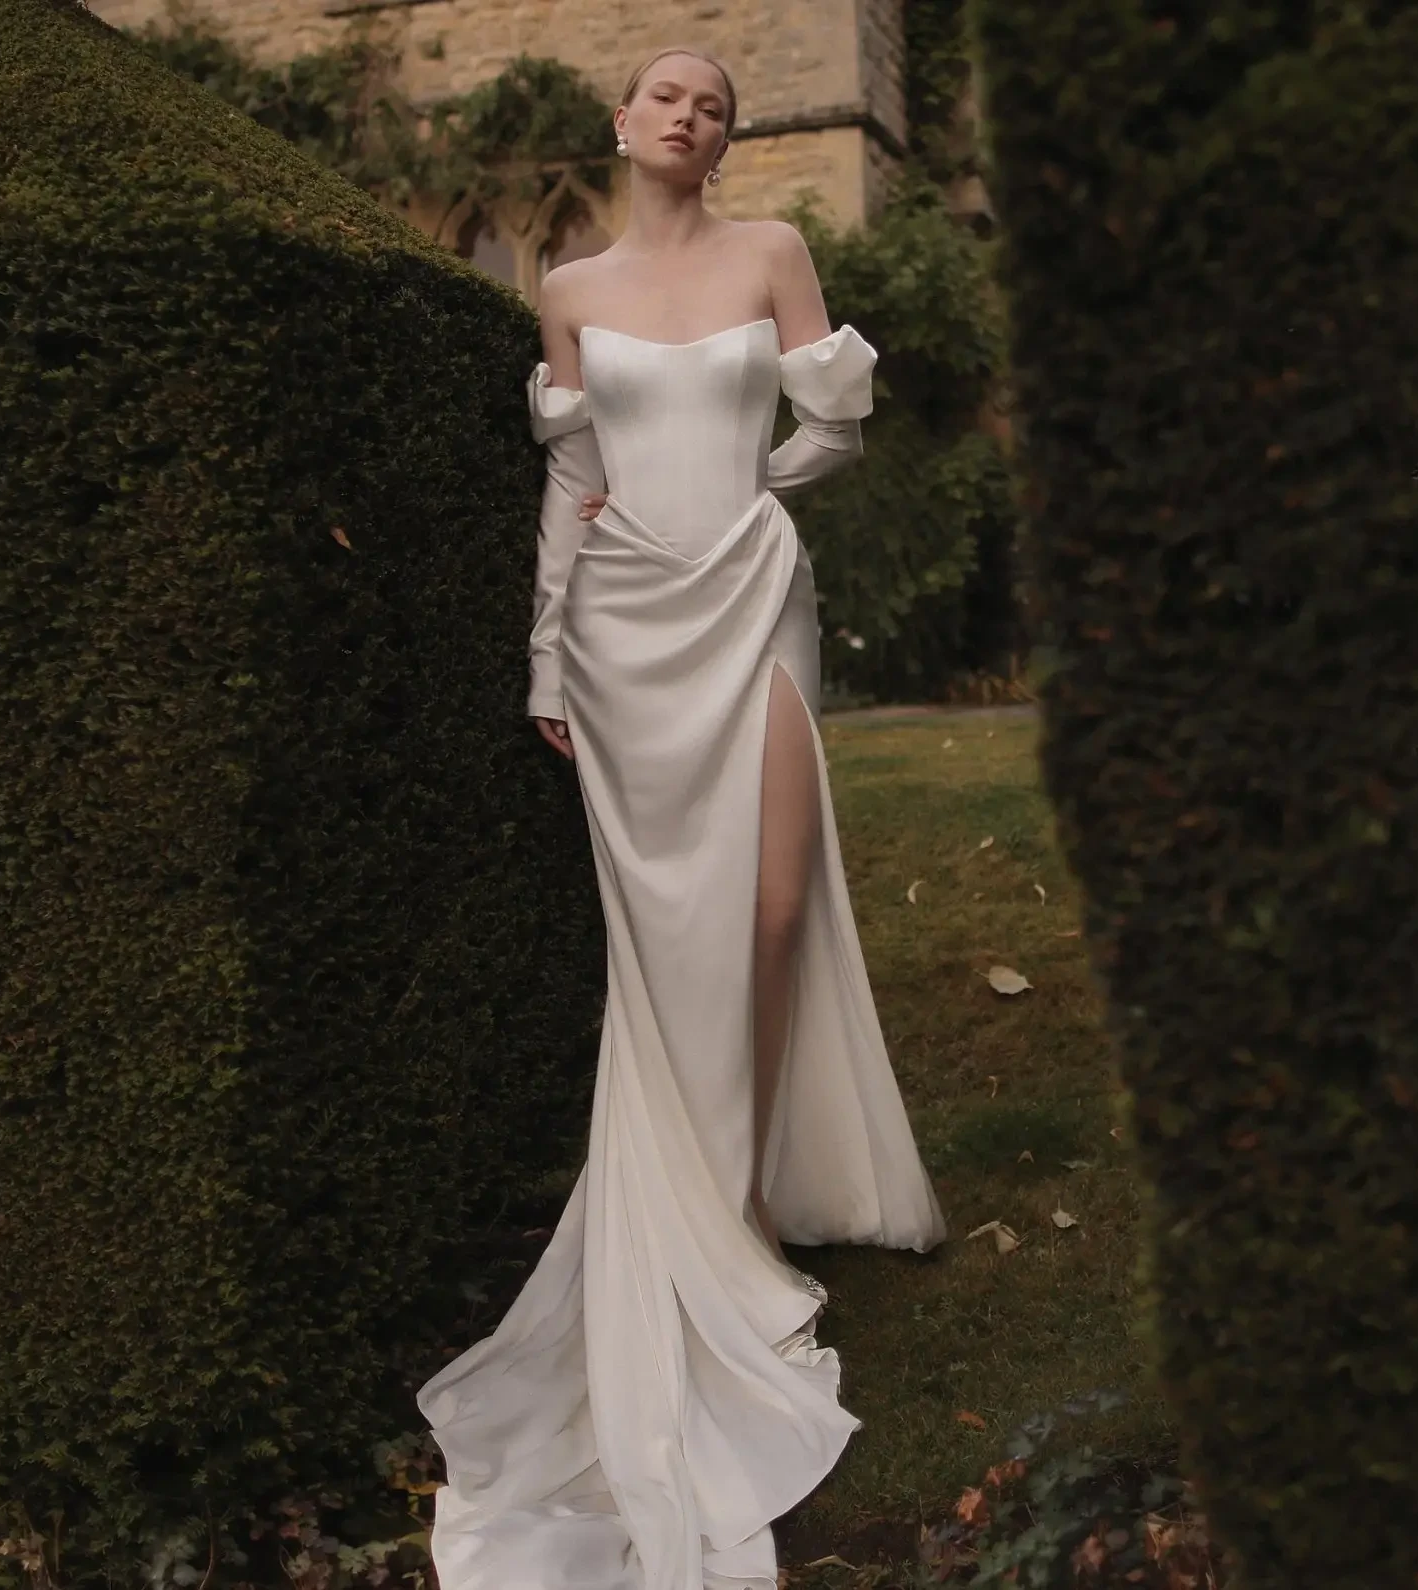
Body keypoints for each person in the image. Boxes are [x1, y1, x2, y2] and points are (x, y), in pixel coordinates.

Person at [415, 44, 948, 1590]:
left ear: (725, 136)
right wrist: (542, 648)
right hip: (620, 632)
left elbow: (834, 427)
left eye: (714, 102)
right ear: (622, 123)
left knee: (774, 906)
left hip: (750, 595)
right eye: (667, 96)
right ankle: (713, 1219)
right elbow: (566, 479)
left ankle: (741, 1210)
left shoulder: (774, 252)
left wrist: (749, 505)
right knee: (664, 934)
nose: (691, 115)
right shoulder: (568, 289)